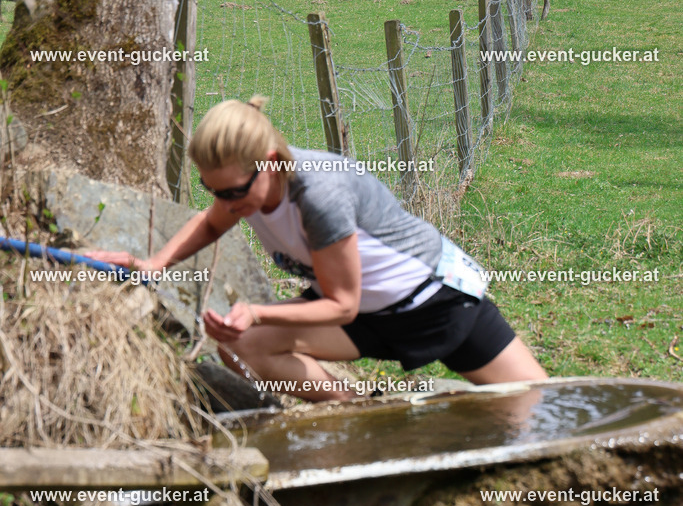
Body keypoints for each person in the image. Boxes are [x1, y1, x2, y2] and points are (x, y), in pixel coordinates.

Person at [90, 98, 547, 402]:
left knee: (539, 406)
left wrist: (259, 311)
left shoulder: (319, 196)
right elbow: (209, 223)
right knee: (242, 346)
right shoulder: (246, 188)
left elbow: (341, 305)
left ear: (269, 162)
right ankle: (353, 412)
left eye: (231, 192)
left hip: (436, 301)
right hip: (364, 315)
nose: (224, 205)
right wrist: (152, 264)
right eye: (214, 191)